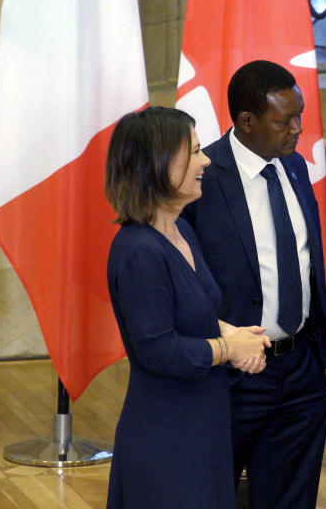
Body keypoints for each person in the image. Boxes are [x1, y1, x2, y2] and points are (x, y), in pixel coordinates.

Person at [180, 60, 326, 509]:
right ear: (246, 121)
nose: (298, 128)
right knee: (210, 494)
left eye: (299, 115)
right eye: (285, 120)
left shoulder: (293, 166)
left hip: (300, 369)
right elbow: (185, 282)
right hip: (233, 374)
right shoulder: (202, 176)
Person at [104, 107, 270, 509]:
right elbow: (159, 349)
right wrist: (230, 350)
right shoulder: (139, 251)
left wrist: (233, 333)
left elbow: (188, 310)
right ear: (160, 164)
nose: (206, 161)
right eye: (195, 152)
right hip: (166, 440)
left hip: (203, 427)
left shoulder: (181, 231)